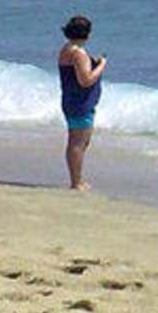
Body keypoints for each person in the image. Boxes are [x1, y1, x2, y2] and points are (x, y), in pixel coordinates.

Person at [57, 15, 106, 191]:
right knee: (78, 143)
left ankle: (76, 179)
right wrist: (101, 66)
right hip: (79, 102)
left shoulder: (66, 49)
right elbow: (86, 80)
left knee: (79, 141)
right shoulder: (78, 53)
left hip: (73, 99)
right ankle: (76, 182)